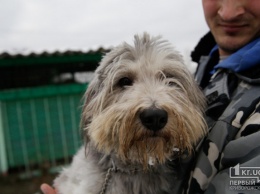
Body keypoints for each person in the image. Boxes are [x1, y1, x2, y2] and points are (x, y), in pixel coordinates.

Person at [41, 0, 260, 193]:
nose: (229, 12)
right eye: (125, 82)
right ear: (91, 108)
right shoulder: (207, 72)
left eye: (169, 80)